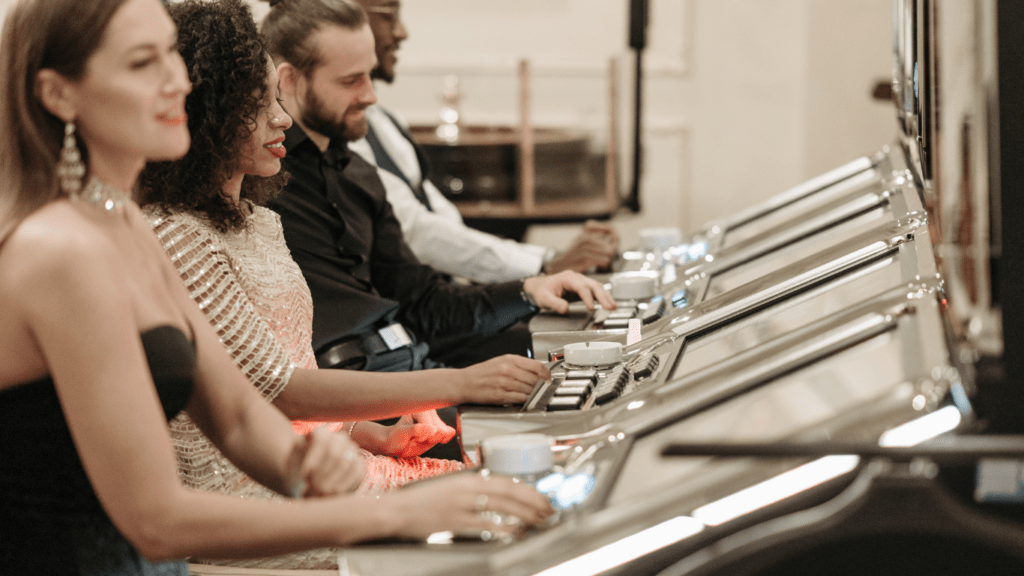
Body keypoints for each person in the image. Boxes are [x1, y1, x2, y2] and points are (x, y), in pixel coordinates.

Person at [0, 0, 552, 573]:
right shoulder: (59, 251)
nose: (178, 80)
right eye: (144, 63)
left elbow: (239, 417)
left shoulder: (125, 224)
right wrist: (392, 513)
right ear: (59, 94)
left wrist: (312, 462)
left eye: (172, 53)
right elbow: (155, 522)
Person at [259, 0, 617, 372]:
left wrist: (529, 291)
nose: (370, 96)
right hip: (354, 407)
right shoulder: (263, 184)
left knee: (579, 359)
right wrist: (456, 385)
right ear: (289, 80)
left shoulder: (358, 172)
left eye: (368, 76)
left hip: (407, 369)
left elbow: (422, 303)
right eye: (351, 81)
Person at [349, 0, 619, 283]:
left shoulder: (387, 121)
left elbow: (443, 223)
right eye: (389, 15)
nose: (402, 32)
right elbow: (413, 231)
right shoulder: (341, 133)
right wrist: (542, 266)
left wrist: (547, 260)